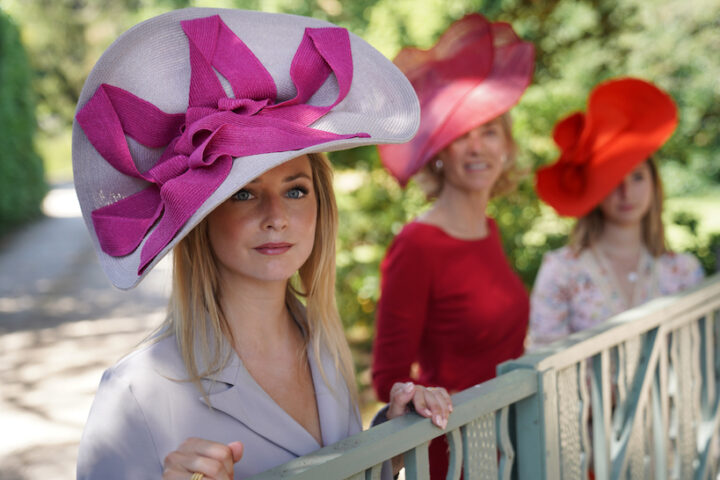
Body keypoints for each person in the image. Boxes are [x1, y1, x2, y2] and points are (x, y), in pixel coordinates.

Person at [72, 8, 451, 480]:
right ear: (202, 218)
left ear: (322, 207)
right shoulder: (137, 391)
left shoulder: (324, 347)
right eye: (243, 194)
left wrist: (391, 438)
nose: (276, 217)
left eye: (296, 190)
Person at [371, 13, 534, 479]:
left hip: (513, 435)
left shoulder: (490, 229)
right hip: (458, 450)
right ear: (439, 152)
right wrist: (417, 394)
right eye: (461, 135)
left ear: (506, 146)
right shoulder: (417, 245)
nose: (477, 147)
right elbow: (387, 378)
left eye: (489, 131)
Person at [530, 77, 704, 348]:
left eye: (637, 177)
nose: (626, 193)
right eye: (613, 181)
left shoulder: (683, 271)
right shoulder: (562, 271)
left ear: (653, 183)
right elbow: (543, 357)